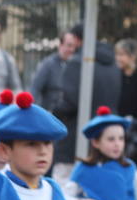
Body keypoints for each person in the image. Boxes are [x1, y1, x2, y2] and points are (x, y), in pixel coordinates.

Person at [30, 25, 120, 178]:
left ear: (78, 40)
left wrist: (54, 113)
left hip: (75, 138)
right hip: (105, 134)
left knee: (65, 188)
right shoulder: (112, 64)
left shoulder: (78, 62)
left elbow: (70, 102)